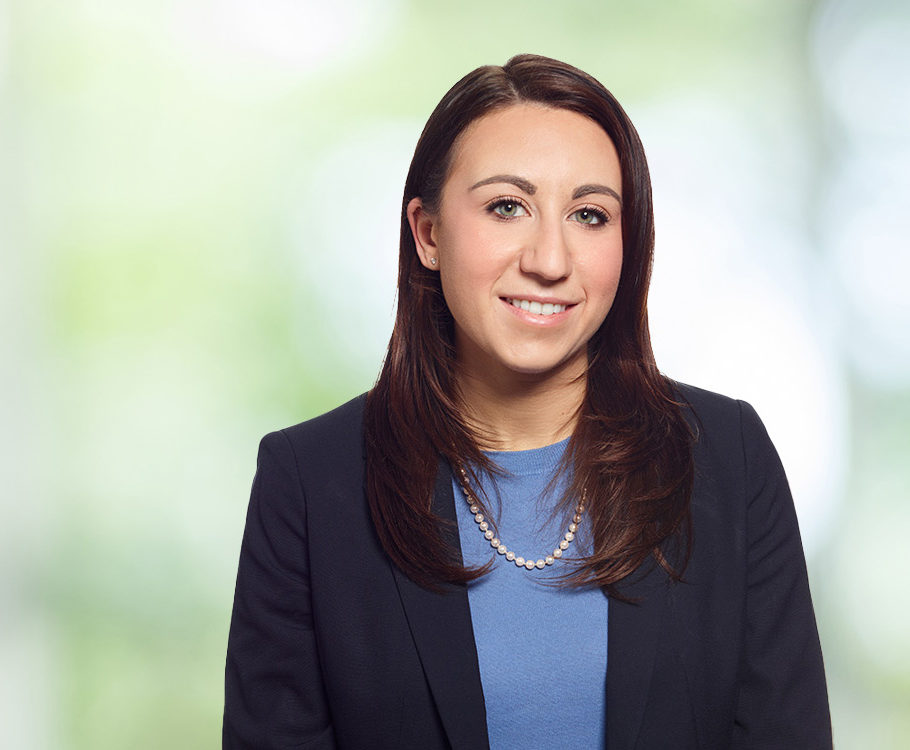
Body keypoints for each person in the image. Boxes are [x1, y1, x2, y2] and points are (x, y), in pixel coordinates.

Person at [221, 54, 831, 749]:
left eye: (590, 215)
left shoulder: (727, 457)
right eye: (507, 207)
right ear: (428, 233)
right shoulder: (309, 482)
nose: (549, 260)